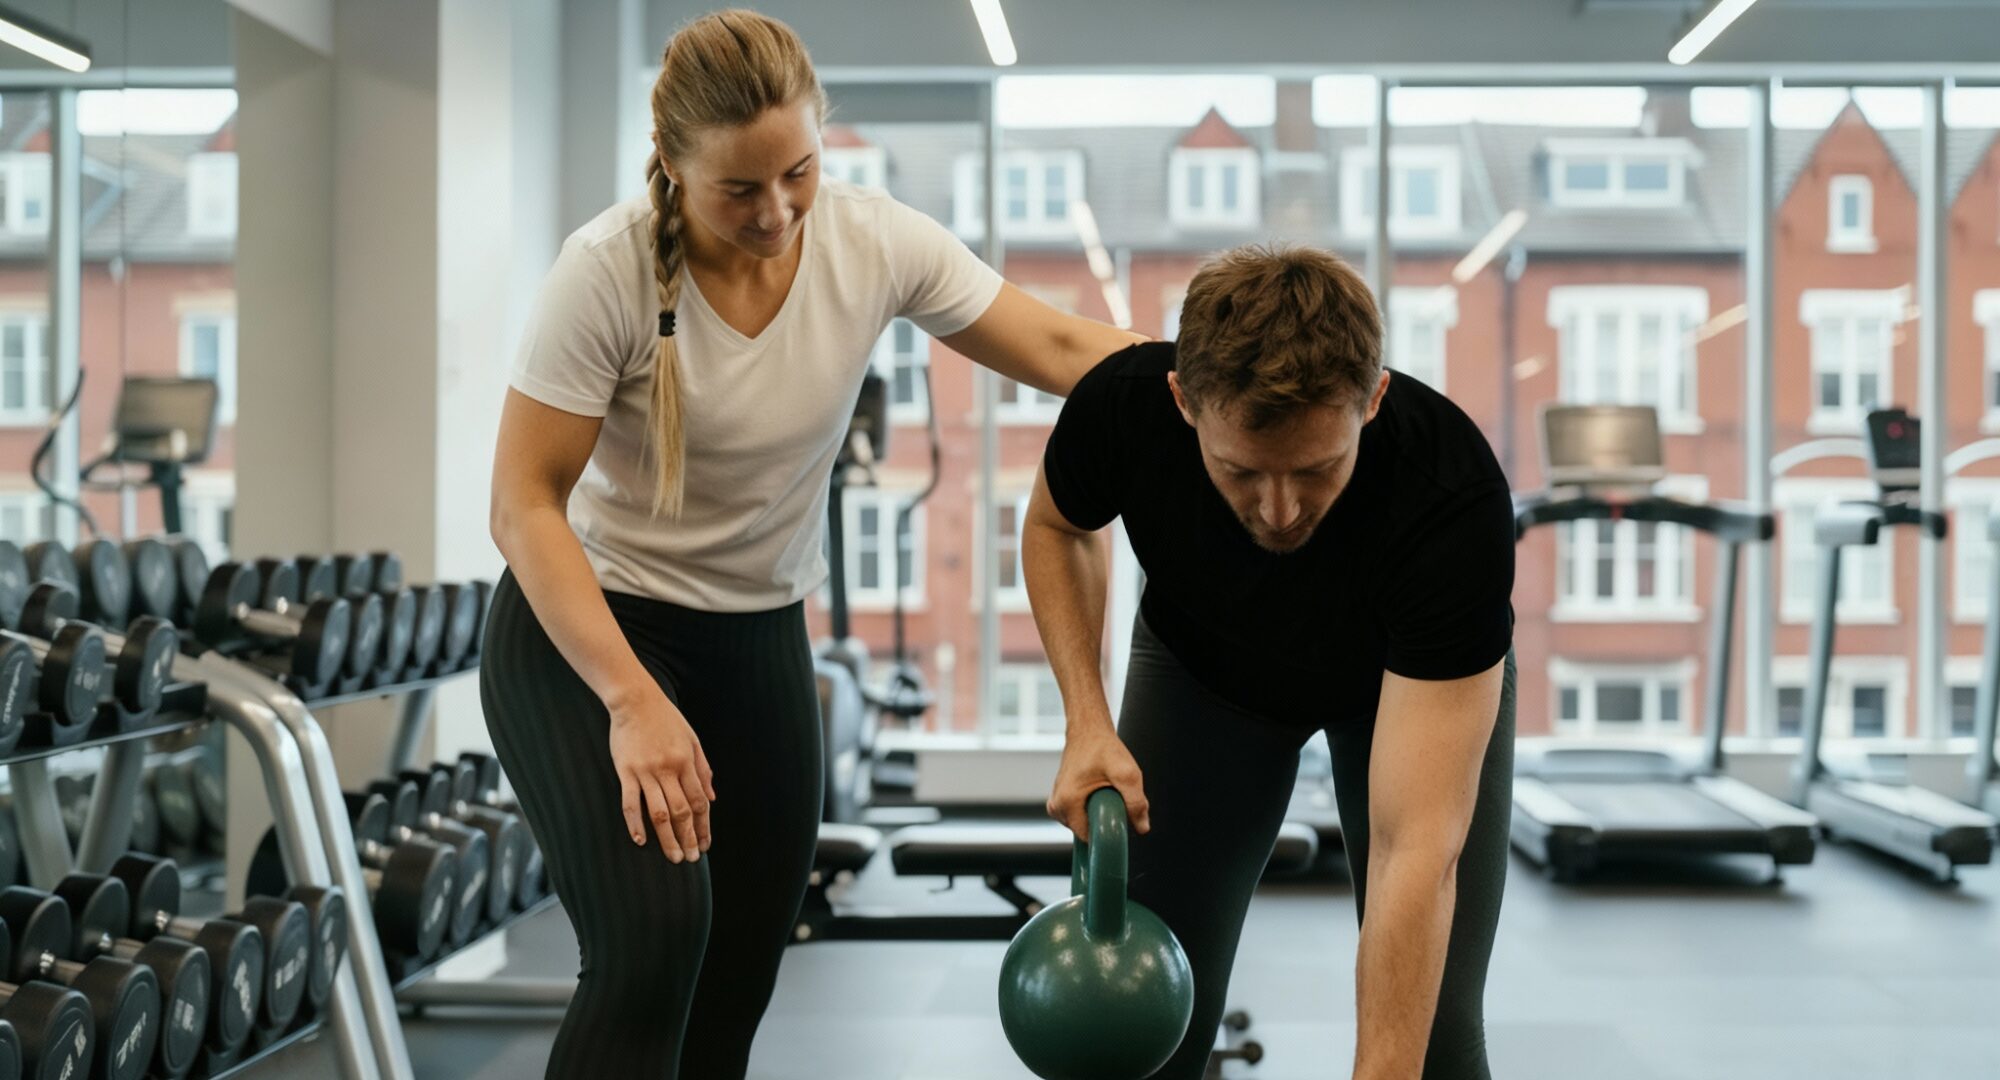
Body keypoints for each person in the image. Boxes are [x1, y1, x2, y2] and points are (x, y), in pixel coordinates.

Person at [480, 10, 1143, 1077]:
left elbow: (1062, 345)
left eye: (798, 171)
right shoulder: (603, 274)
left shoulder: (870, 240)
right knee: (653, 948)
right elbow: (522, 507)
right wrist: (632, 699)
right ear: (670, 166)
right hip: (591, 636)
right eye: (738, 189)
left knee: (740, 967)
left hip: (756, 639)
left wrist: (1224, 375)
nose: (777, 211)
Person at [1024, 243, 1515, 1080]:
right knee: (1140, 1033)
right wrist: (1087, 721)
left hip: (1400, 687)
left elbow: (1414, 850)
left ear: (1374, 399)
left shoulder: (1449, 492)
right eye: (1240, 471)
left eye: (1319, 469)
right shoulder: (1127, 406)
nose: (1282, 510)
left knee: (1429, 1051)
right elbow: (1057, 526)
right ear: (1185, 402)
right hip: (1204, 674)